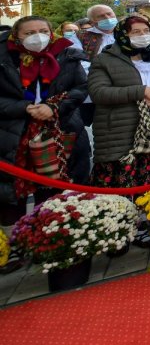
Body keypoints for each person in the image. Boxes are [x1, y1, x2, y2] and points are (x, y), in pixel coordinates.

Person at [0, 17, 89, 229]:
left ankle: (49, 234)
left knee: (54, 191)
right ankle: (14, 238)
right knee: (13, 192)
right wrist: (23, 107)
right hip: (13, 132)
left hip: (61, 127)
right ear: (16, 36)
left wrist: (54, 107)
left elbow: (81, 88)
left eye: (43, 31)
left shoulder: (67, 55)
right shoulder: (5, 58)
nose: (37, 37)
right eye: (29, 33)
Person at [88, 15, 150, 206]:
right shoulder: (105, 59)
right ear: (123, 35)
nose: (143, 35)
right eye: (136, 32)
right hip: (123, 134)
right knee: (123, 196)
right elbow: (98, 92)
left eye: (146, 31)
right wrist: (142, 92)